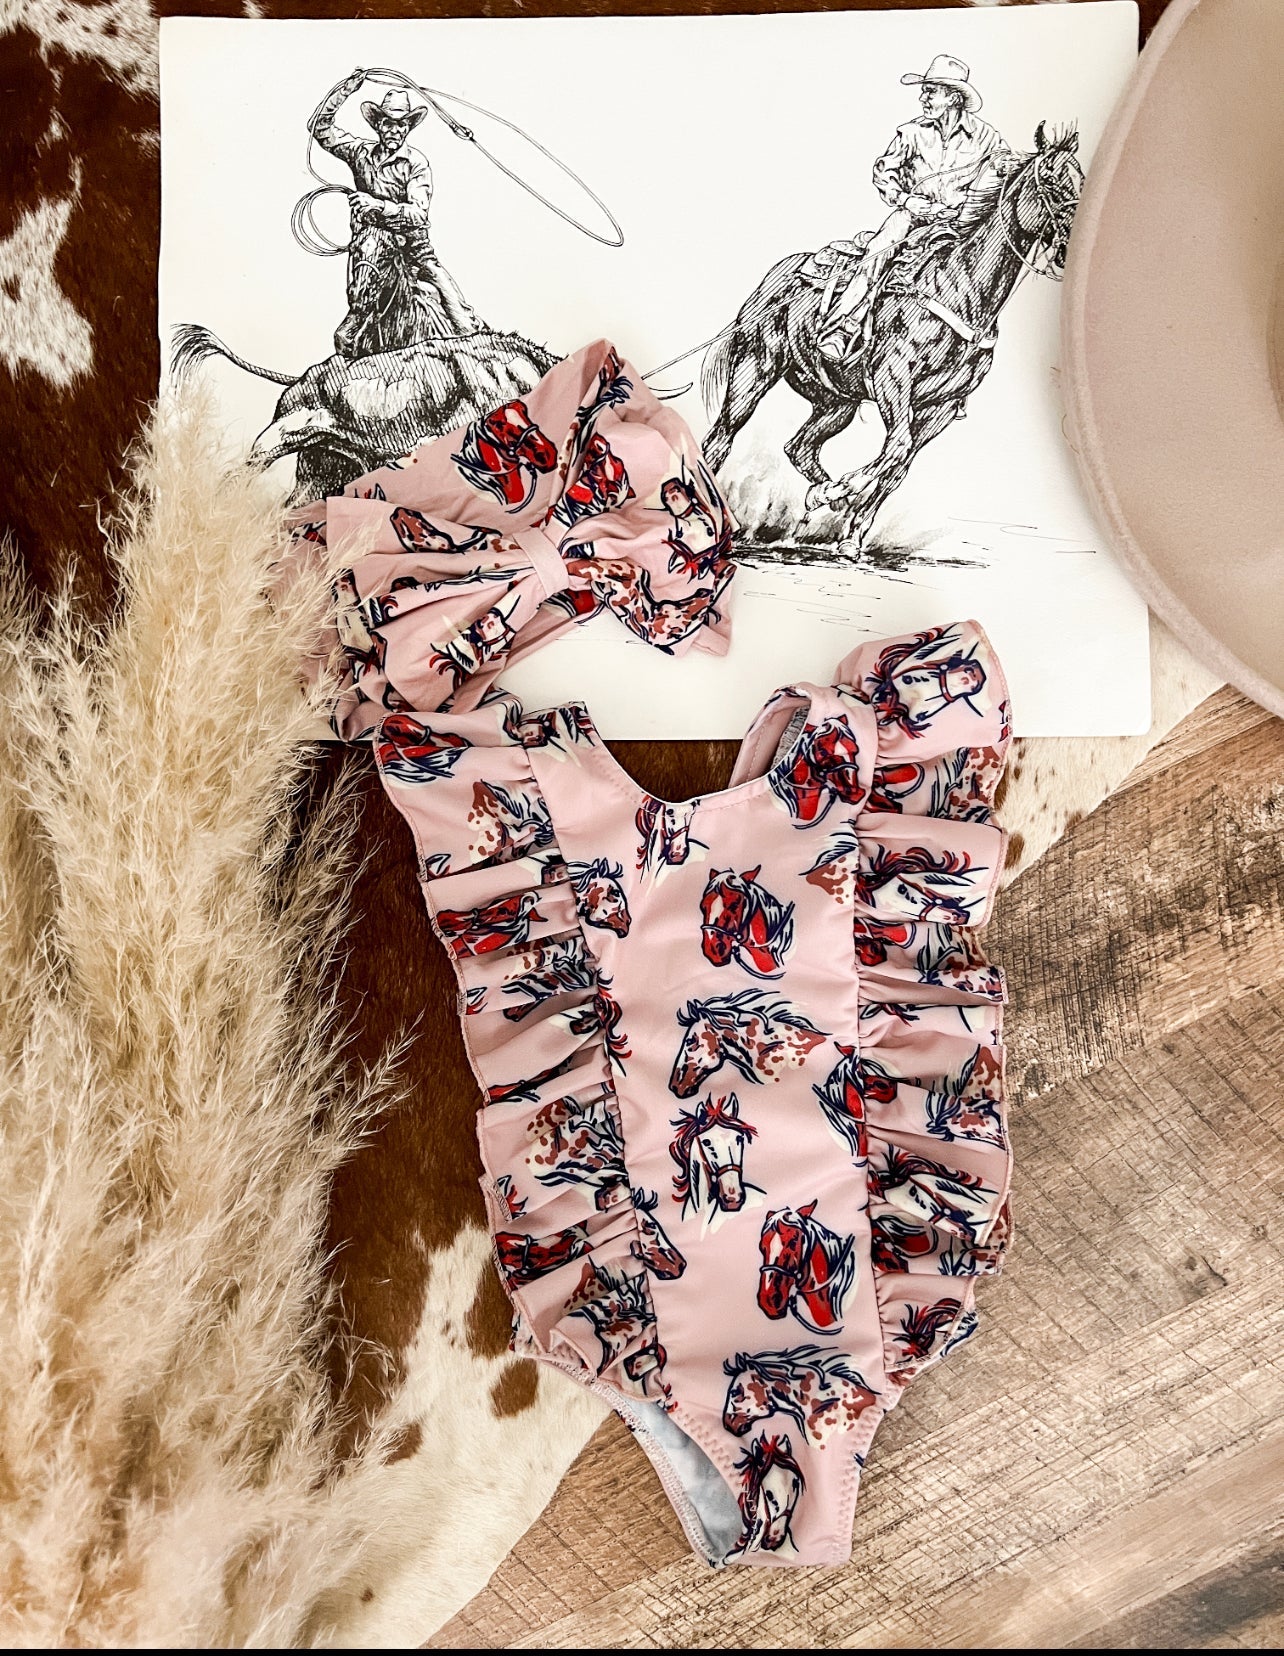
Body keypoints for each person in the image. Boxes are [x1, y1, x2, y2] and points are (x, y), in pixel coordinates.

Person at [818, 54, 1010, 364]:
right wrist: (906, 200)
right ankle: (843, 328)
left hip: (961, 223)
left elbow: (1005, 174)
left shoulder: (988, 139)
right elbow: (884, 172)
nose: (923, 98)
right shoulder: (911, 132)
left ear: (953, 97)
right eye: (924, 91)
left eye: (930, 91)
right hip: (912, 218)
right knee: (880, 250)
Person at [310, 69, 480, 358]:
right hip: (370, 248)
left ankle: (473, 343)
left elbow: (419, 214)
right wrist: (345, 90)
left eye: (401, 125)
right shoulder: (359, 152)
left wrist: (377, 206)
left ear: (408, 129)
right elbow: (320, 127)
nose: (394, 131)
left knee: (462, 319)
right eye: (388, 124)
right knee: (350, 326)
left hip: (413, 251)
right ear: (378, 125)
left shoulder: (416, 164)